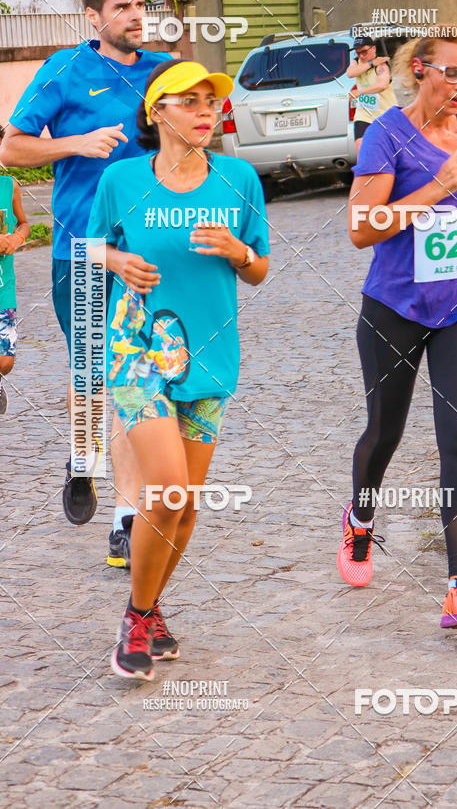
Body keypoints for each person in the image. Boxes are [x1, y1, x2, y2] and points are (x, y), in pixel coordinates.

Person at [86, 59, 269, 680]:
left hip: (210, 358)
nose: (204, 110)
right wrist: (117, 261)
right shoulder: (121, 180)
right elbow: (84, 246)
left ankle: (151, 606)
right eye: (187, 101)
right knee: (164, 491)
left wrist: (238, 251)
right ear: (155, 112)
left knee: (183, 509)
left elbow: (260, 268)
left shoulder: (240, 178)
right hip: (134, 350)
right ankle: (135, 621)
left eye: (210, 101)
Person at [337, 27, 457, 630]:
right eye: (454, 74)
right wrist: (432, 190)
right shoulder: (387, 134)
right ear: (421, 70)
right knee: (384, 431)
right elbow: (362, 228)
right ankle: (360, 522)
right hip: (394, 307)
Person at [0, 0, 171, 566]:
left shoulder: (163, 74)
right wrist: (75, 142)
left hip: (148, 252)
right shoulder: (65, 70)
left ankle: (125, 519)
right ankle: (82, 457)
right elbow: (12, 147)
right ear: (93, 17)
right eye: (121, 7)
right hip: (82, 252)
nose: (134, 15)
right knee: (95, 375)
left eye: (139, 5)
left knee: (135, 381)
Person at [0, 126, 31, 415]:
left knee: (5, 362)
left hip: (3, 287)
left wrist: (16, 239)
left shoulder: (9, 186)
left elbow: (24, 223)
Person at [346, 36, 397, 156]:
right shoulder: (357, 62)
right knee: (362, 152)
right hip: (364, 116)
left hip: (385, 115)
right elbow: (350, 73)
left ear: (373, 48)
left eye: (364, 51)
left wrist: (360, 92)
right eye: (358, 53)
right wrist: (370, 63)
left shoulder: (381, 66)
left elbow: (382, 85)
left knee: (387, 155)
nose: (361, 56)